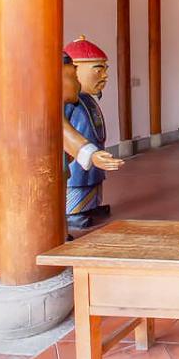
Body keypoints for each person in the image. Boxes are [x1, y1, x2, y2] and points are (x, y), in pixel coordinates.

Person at [61, 44, 123, 230]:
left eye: (105, 69)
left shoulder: (85, 99)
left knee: (93, 178)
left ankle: (91, 206)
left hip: (93, 148)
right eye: (98, 70)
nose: (104, 76)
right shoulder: (68, 103)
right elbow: (65, 133)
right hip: (76, 157)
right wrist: (90, 153)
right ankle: (74, 212)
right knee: (78, 180)